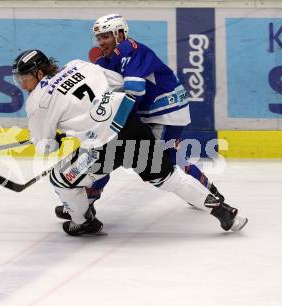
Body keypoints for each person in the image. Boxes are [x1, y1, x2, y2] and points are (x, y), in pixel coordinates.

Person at [12, 49, 248, 236]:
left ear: (39, 74)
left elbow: (46, 147)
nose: (23, 85)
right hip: (131, 127)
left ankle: (84, 222)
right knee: (168, 177)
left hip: (103, 148)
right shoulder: (78, 65)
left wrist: (52, 137)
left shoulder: (37, 102)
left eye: (24, 78)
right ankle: (224, 212)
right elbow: (117, 82)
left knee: (60, 179)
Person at [55, 13, 227, 221]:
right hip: (145, 113)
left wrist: (112, 120)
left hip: (167, 112)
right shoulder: (105, 60)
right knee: (105, 153)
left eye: (106, 36)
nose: (101, 42)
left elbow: (134, 90)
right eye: (99, 38)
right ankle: (87, 201)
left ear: (120, 34)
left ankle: (211, 195)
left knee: (167, 160)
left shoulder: (134, 51)